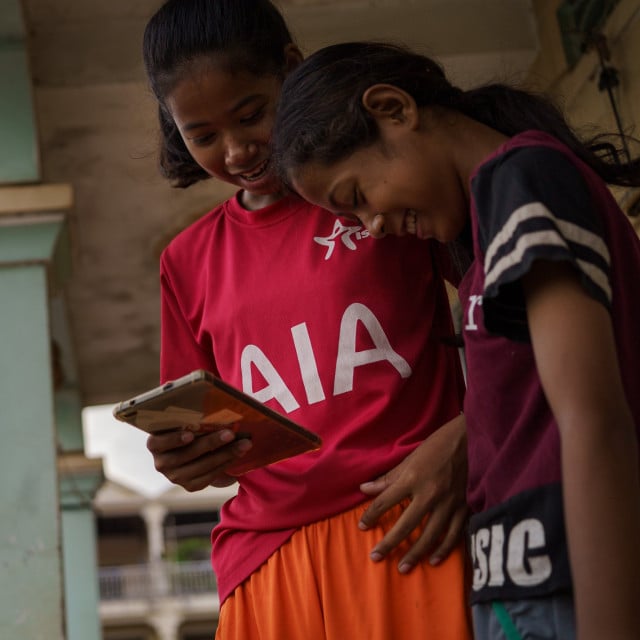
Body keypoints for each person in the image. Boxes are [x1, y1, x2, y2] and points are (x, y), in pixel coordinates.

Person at [271, 40, 640, 640]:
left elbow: (594, 420)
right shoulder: (483, 234)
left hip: (570, 592)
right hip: (517, 593)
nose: (376, 228)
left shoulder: (521, 176)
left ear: (393, 109)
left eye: (357, 198)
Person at [141, 3, 473, 639]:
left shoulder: (379, 188)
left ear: (291, 72)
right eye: (203, 135)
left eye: (250, 114)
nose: (237, 150)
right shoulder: (185, 262)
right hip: (268, 562)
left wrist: (470, 432)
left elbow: (515, 316)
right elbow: (195, 427)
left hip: (414, 516)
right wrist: (182, 455)